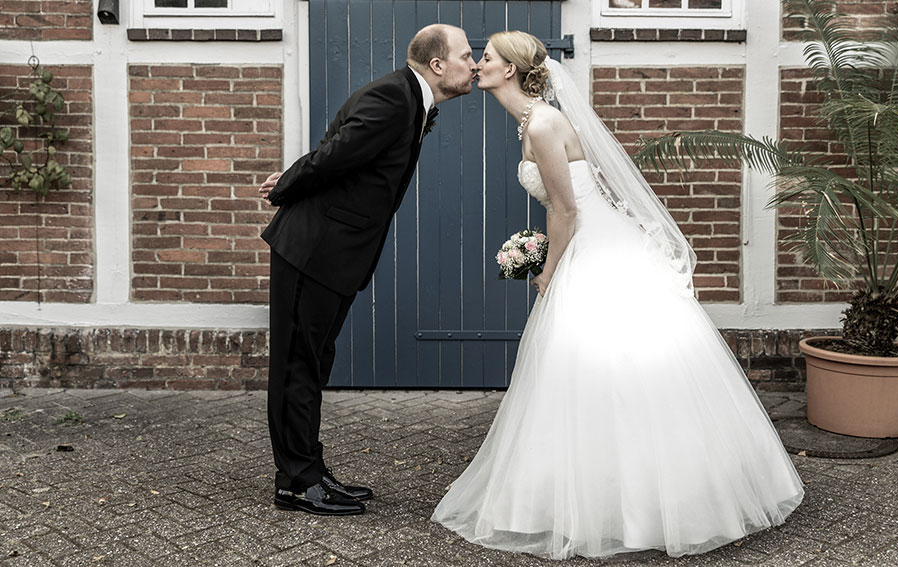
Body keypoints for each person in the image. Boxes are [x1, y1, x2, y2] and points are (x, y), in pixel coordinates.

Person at [431, 31, 804, 558]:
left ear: (509, 69)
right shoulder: (531, 122)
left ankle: (659, 503)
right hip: (591, 239)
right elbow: (562, 205)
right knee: (591, 369)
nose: (477, 65)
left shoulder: (540, 123)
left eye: (485, 58)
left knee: (611, 360)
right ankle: (613, 496)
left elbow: (567, 210)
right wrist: (546, 249)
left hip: (597, 250)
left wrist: (548, 271)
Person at [258, 24, 477, 517]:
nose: (474, 64)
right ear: (437, 64)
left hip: (334, 254)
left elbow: (342, 153)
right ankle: (296, 482)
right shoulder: (394, 97)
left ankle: (308, 467)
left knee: (313, 361)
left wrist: (296, 174)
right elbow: (334, 155)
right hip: (311, 249)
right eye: (466, 56)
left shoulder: (410, 100)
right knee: (296, 364)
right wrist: (286, 183)